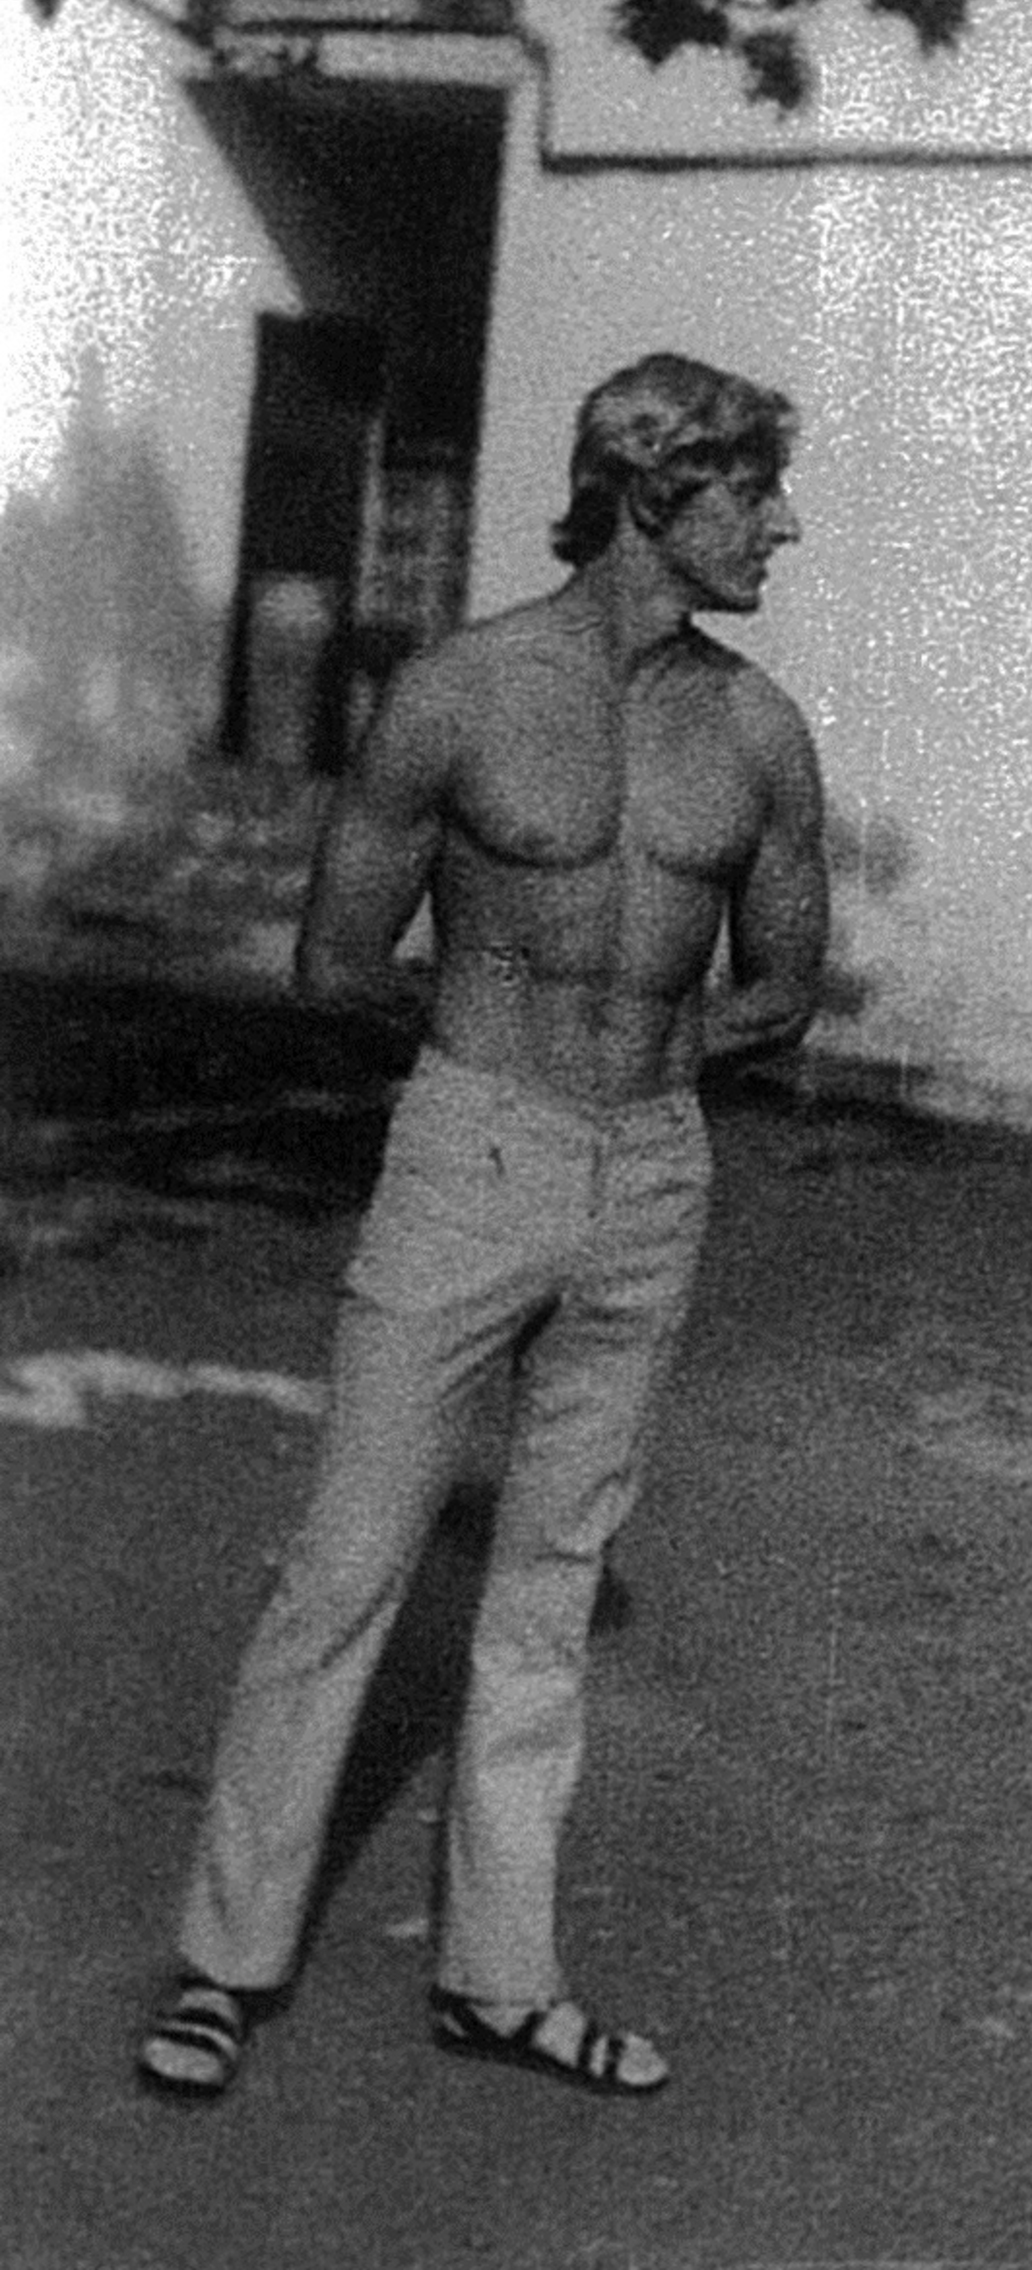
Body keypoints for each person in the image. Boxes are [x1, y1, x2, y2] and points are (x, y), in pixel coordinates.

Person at [137, 354, 828, 2103]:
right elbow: (335, 959)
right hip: (471, 1153)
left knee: (546, 1586)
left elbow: (784, 985)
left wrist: (646, 1056)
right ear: (651, 492)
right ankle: (224, 1965)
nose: (779, 526)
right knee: (346, 1566)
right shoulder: (458, 694)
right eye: (749, 492)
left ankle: (501, 1980)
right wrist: (496, 1036)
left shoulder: (756, 731)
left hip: (651, 1175)